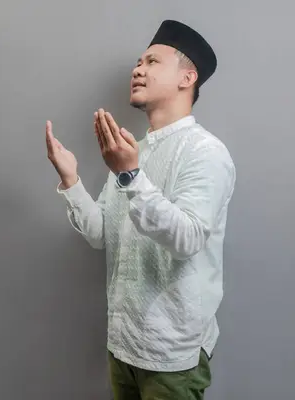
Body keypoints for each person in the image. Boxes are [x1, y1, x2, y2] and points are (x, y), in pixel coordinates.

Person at [45, 19, 236, 400]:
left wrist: (130, 175)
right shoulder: (134, 151)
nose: (137, 69)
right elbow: (103, 235)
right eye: (138, 62)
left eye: (152, 62)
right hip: (123, 344)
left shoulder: (205, 152)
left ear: (187, 77)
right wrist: (72, 181)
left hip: (173, 355)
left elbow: (187, 239)